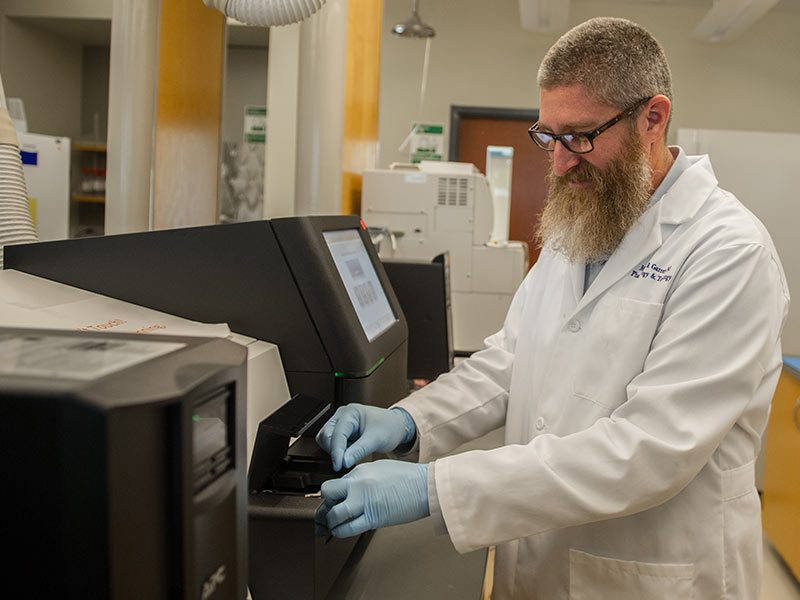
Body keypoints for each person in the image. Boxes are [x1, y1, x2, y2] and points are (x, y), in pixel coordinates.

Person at [315, 17, 789, 599]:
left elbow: (650, 450)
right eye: (548, 135)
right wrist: (413, 420)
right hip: (540, 564)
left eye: (581, 137)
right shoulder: (582, 226)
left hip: (649, 576)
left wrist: (434, 488)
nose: (560, 163)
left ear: (653, 118)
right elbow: (511, 361)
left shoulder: (727, 252)